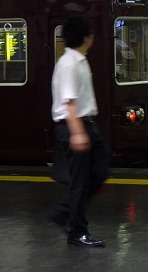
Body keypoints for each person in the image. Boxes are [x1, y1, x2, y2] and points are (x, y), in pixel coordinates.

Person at [49, 16, 109, 247]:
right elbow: (69, 102)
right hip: (74, 125)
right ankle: (77, 231)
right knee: (80, 182)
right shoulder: (69, 64)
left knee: (99, 171)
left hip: (86, 124)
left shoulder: (80, 60)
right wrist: (77, 133)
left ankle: (64, 213)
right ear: (86, 37)